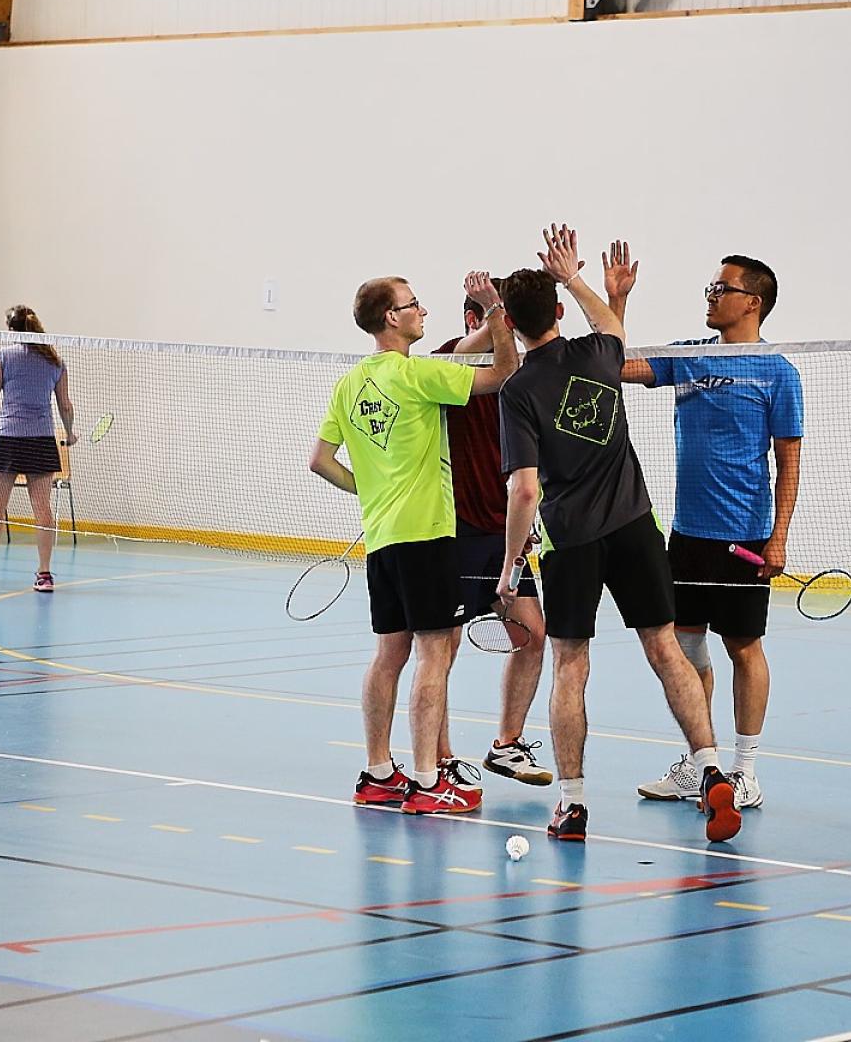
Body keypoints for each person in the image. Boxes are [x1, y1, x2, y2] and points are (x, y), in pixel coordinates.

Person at [496, 224, 740, 845]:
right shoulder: (597, 356)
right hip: (634, 527)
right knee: (666, 649)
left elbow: (524, 491)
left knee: (570, 665)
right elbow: (610, 326)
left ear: (511, 324)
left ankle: (573, 804)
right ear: (558, 311)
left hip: (571, 540)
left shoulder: (518, 390)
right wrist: (584, 281)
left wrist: (509, 565)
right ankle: (713, 768)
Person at [310, 272, 518, 815]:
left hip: (382, 538)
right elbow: (505, 373)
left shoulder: (350, 384)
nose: (422, 311)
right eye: (413, 304)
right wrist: (495, 311)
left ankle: (378, 773)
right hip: (426, 536)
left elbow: (320, 461)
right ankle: (428, 781)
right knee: (433, 654)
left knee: (389, 655)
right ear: (391, 318)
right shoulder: (419, 374)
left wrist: (371, 489)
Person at [612, 250, 802, 812]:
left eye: (722, 289)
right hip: (688, 534)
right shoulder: (688, 356)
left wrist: (779, 536)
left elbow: (789, 462)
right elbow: (613, 366)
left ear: (752, 302)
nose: (711, 297)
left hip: (744, 533)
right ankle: (704, 764)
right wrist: (617, 301)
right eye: (710, 288)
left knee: (743, 646)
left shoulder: (777, 373)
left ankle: (746, 770)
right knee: (685, 643)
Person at [435, 293, 552, 788]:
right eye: (501, 317)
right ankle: (439, 757)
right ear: (475, 319)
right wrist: (494, 316)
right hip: (456, 531)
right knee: (440, 649)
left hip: (505, 534)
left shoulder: (521, 377)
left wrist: (525, 524)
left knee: (533, 634)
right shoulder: (449, 362)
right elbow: (466, 351)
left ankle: (506, 744)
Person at [0, 306, 76, 594]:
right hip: (41, 440)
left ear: (11, 329)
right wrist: (70, 432)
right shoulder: (55, 360)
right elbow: (65, 405)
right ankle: (44, 574)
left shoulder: (4, 356)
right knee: (43, 510)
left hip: (9, 439)